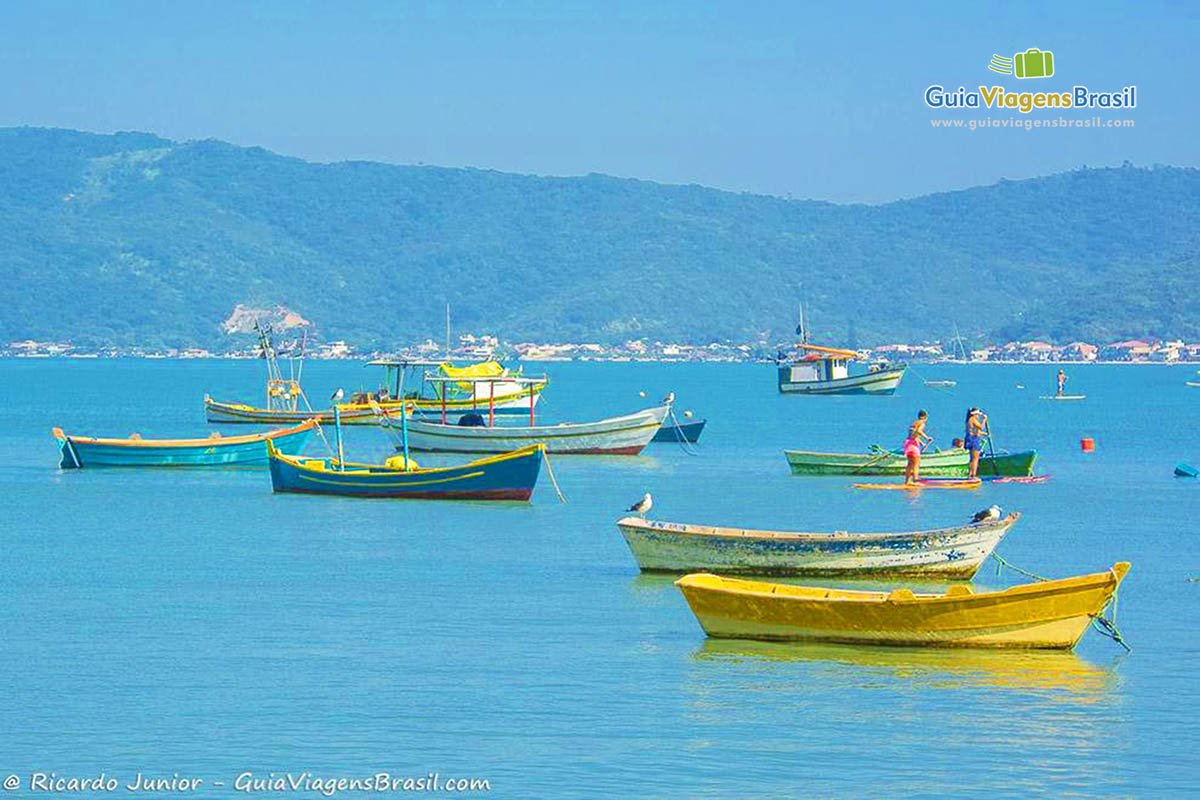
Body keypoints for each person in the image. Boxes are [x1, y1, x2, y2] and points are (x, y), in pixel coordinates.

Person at [903, 410, 933, 485]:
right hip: (913, 445)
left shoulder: (914, 423)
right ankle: (915, 480)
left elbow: (913, 434)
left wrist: (921, 443)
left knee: (910, 463)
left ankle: (907, 481)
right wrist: (927, 438)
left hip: (907, 443)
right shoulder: (922, 423)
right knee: (916, 463)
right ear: (925, 417)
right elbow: (919, 431)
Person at [964, 407, 989, 478]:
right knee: (975, 458)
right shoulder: (973, 419)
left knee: (972, 458)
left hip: (971, 438)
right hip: (973, 439)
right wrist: (984, 420)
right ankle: (973, 475)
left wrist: (984, 434)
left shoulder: (969, 420)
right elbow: (981, 427)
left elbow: (975, 431)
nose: (978, 416)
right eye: (977, 415)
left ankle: (970, 474)